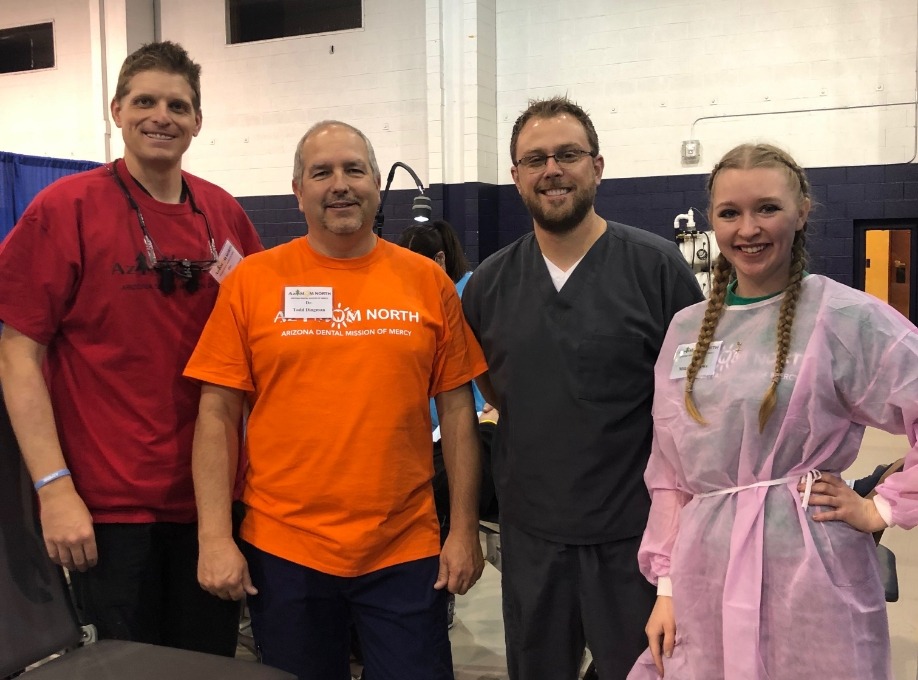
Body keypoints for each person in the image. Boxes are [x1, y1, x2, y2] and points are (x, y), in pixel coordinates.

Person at [185, 120, 487, 680]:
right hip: (285, 550)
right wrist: (214, 536)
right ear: (297, 191)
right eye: (321, 172)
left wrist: (464, 530)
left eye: (355, 169)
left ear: (378, 185)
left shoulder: (428, 282)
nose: (340, 184)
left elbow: (456, 411)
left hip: (403, 547)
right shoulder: (252, 283)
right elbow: (216, 413)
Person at [0, 41, 262, 655]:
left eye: (178, 104)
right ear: (116, 110)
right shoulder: (64, 209)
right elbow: (17, 354)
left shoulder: (222, 213)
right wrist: (54, 487)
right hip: (107, 510)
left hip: (212, 506)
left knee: (206, 664)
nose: (161, 116)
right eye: (144, 101)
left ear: (198, 120)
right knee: (124, 666)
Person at [627, 143, 918, 680]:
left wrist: (882, 509)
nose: (748, 229)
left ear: (802, 209)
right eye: (730, 213)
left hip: (811, 571)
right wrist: (666, 587)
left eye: (767, 208)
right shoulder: (687, 330)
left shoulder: (845, 317)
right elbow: (670, 472)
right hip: (705, 574)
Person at [461, 96, 703, 680]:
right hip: (532, 534)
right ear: (516, 176)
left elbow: (696, 400)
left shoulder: (657, 268)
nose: (552, 169)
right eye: (535, 158)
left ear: (597, 166)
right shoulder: (488, 285)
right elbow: (491, 389)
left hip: (634, 534)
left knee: (644, 671)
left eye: (568, 154)